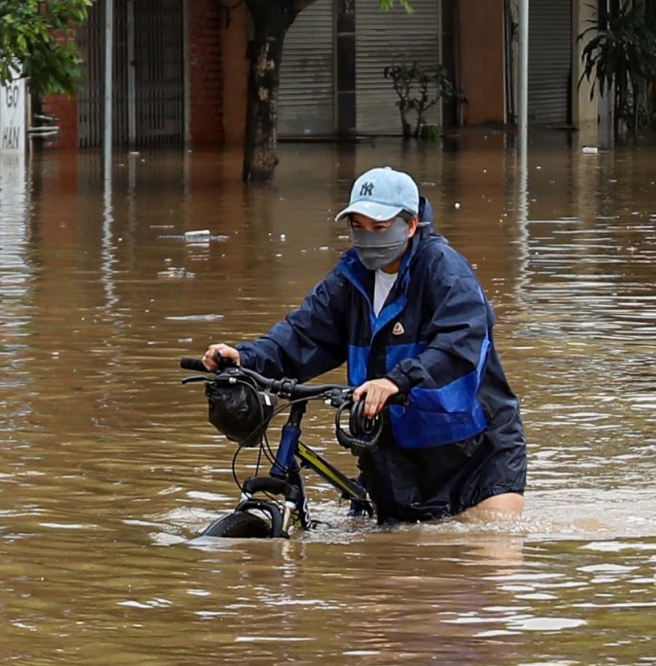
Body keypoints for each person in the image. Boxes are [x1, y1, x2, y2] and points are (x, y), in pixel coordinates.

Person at [203, 166, 526, 524]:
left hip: (475, 457)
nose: (367, 238)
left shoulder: (444, 270)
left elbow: (461, 343)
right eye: (357, 226)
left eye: (379, 227)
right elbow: (303, 334)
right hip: (392, 458)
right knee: (388, 558)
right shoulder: (348, 278)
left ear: (411, 225)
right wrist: (246, 357)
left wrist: (395, 381)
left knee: (490, 544)